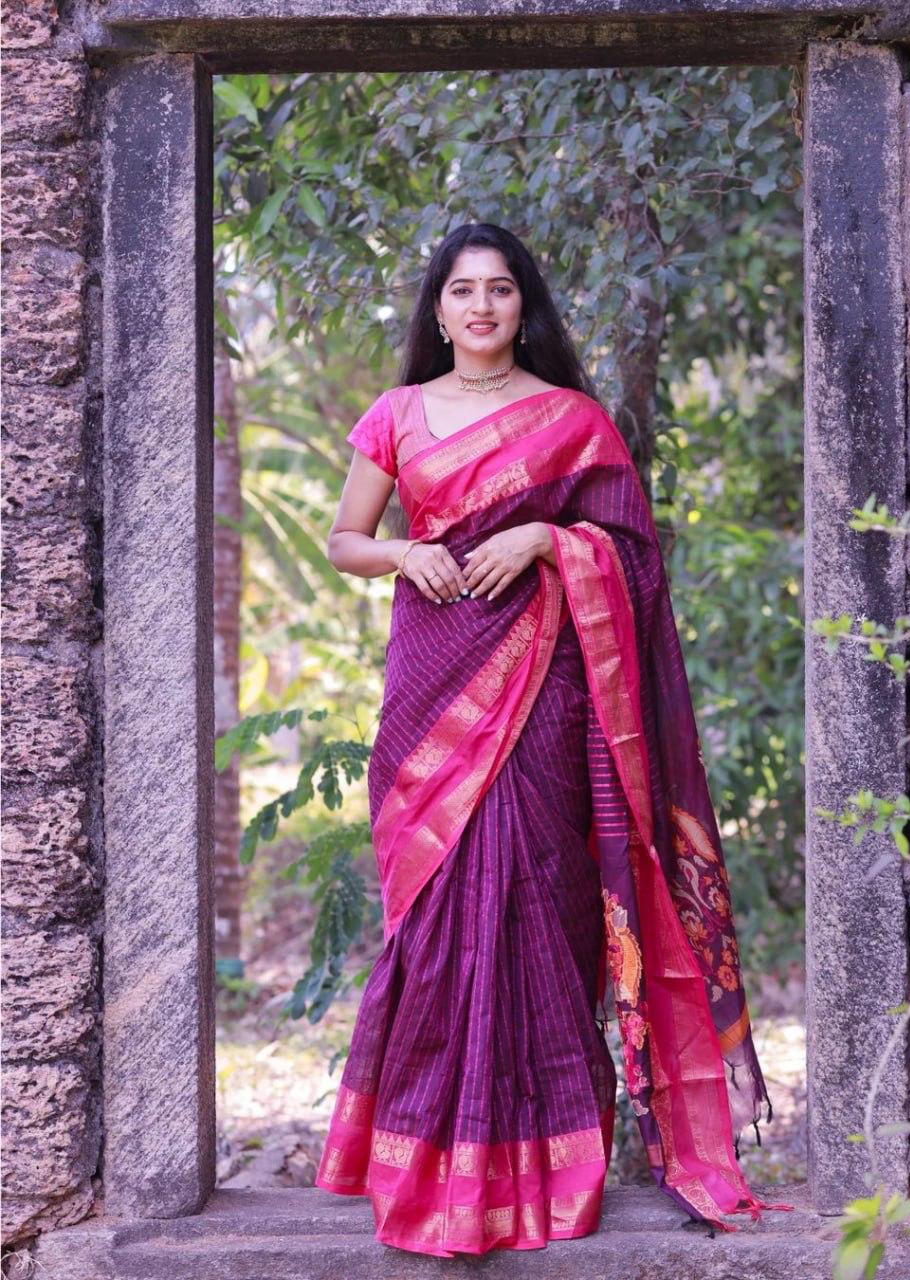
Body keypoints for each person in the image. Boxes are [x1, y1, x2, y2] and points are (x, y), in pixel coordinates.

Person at [314, 222, 792, 1257]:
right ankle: (422, 1164)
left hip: (546, 692)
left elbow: (633, 556)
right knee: (438, 920)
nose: (480, 308)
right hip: (432, 681)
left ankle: (543, 1170)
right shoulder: (395, 414)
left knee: (542, 905)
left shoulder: (571, 420)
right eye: (461, 291)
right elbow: (345, 539)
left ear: (521, 305)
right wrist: (404, 550)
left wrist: (548, 536)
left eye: (498, 290)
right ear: (436, 310)